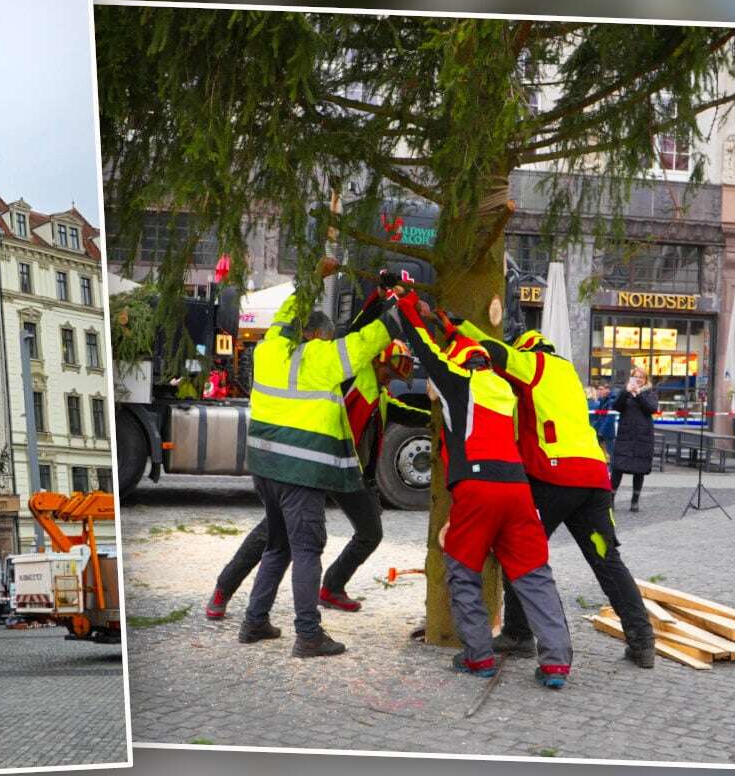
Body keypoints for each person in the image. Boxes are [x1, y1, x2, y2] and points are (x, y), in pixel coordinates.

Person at [206, 285, 428, 619]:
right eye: (389, 371)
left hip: (346, 472)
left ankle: (332, 586)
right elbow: (357, 334)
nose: (390, 379)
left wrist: (437, 421)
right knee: (273, 536)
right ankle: (224, 589)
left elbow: (401, 412)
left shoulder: (379, 393)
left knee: (370, 532)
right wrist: (391, 307)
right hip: (314, 466)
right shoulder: (345, 374)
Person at [453, 321, 656, 668]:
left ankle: (518, 634)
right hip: (594, 478)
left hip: (552, 476)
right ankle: (642, 640)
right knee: (606, 560)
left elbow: (496, 350)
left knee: (520, 552)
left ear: (528, 349)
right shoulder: (570, 377)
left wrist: (457, 326)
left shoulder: (534, 364)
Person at [397, 296, 572, 688]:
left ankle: (478, 657)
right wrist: (447, 321)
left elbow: (424, 348)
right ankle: (556, 663)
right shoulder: (502, 389)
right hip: (517, 489)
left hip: (478, 489)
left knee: (462, 568)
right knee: (533, 574)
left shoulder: (460, 383)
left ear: (462, 364)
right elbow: (460, 346)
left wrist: (404, 306)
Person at [238, 256, 402, 658]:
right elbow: (369, 341)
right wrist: (400, 307)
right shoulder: (324, 361)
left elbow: (285, 314)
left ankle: (254, 621)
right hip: (301, 471)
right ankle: (308, 635)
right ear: (316, 336)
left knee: (278, 546)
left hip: (264, 468)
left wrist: (312, 279)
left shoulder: (269, 349)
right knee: (308, 549)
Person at [610, 367, 659, 513]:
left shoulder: (650, 392)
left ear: (645, 380)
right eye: (635, 376)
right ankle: (611, 499)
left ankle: (635, 501)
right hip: (626, 435)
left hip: (643, 436)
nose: (638, 379)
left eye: (641, 377)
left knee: (640, 469)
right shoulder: (625, 392)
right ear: (631, 378)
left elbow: (651, 408)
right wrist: (626, 392)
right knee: (618, 468)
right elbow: (616, 406)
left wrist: (638, 394)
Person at [589, 381, 617, 461]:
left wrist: (601, 431)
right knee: (601, 453)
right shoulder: (603, 400)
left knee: (610, 454)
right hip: (600, 430)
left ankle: (611, 470)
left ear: (607, 390)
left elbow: (609, 418)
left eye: (601, 389)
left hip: (607, 432)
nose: (599, 391)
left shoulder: (611, 401)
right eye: (598, 389)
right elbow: (599, 417)